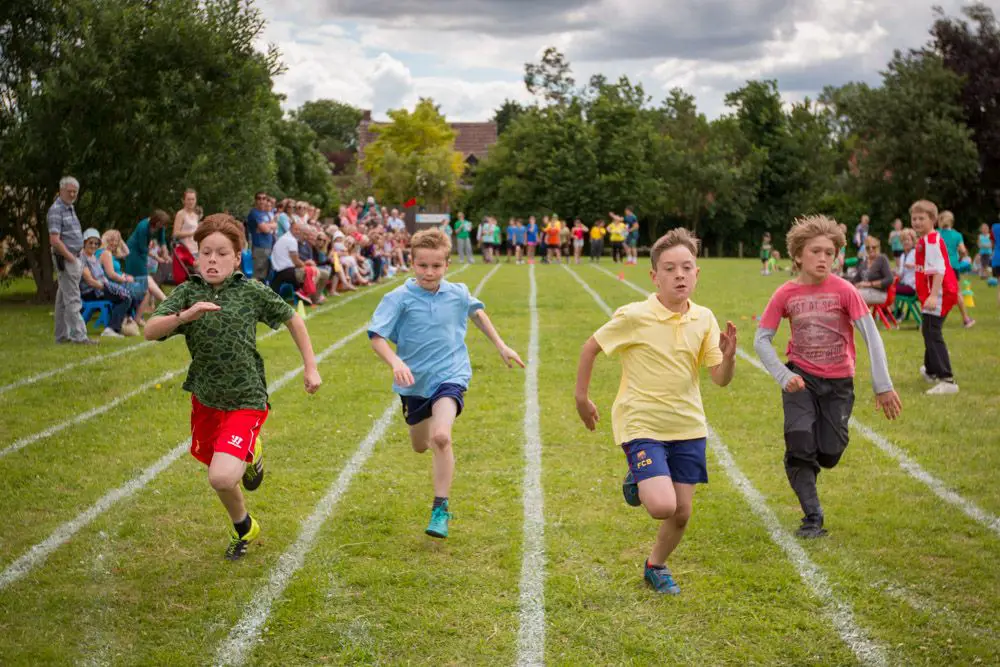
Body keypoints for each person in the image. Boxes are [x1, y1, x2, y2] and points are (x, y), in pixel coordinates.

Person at [145, 214, 321, 560]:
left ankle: (250, 451)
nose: (213, 259)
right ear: (196, 256)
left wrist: (310, 367)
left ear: (236, 257)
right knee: (216, 469)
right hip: (207, 398)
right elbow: (151, 330)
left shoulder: (250, 291)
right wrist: (184, 317)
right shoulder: (187, 293)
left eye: (221, 253)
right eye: (206, 252)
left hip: (246, 397)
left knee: (222, 477)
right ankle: (244, 525)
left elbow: (292, 319)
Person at [574, 228, 737, 594]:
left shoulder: (704, 318)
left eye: (686, 267)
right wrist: (581, 399)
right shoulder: (635, 316)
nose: (679, 275)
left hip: (688, 426)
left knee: (682, 513)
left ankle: (656, 565)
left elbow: (719, 379)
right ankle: (639, 475)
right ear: (654, 276)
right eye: (669, 269)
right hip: (641, 423)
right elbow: (590, 348)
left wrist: (729, 358)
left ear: (697, 273)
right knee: (662, 505)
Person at [368, 228, 524, 539]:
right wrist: (396, 362)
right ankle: (434, 449)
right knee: (419, 445)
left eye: (436, 266)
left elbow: (477, 312)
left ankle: (440, 509)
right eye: (423, 265)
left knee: (441, 437)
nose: (429, 272)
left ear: (447, 265)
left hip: (451, 374)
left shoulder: (457, 292)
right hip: (414, 383)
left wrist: (501, 345)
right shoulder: (398, 298)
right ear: (412, 263)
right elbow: (376, 336)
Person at [754, 215, 901, 540]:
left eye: (829, 252)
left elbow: (872, 336)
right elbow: (761, 339)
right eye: (816, 251)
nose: (823, 258)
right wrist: (782, 375)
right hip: (800, 379)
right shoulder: (785, 293)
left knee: (829, 454)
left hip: (838, 385)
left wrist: (883, 386)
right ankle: (812, 516)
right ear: (797, 255)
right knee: (799, 445)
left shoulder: (845, 290)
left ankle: (806, 461)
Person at [912, 201, 960, 395]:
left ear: (932, 220)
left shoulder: (931, 241)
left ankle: (947, 379)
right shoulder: (926, 239)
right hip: (935, 294)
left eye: (921, 218)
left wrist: (932, 296)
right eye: (914, 218)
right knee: (928, 330)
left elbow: (939, 270)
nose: (916, 222)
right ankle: (931, 370)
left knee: (933, 332)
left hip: (939, 293)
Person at [47, 176, 95, 344]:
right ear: (61, 191)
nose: (73, 194)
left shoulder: (70, 208)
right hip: (66, 259)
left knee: (62, 300)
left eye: (75, 192)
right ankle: (80, 336)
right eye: (70, 191)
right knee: (73, 299)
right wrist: (71, 258)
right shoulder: (56, 210)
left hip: (75, 257)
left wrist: (79, 254)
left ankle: (62, 336)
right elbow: (54, 239)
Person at [79, 229, 135, 338]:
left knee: (127, 294)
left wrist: (109, 286)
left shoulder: (93, 257)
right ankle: (111, 329)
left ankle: (118, 324)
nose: (94, 245)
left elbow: (126, 253)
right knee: (125, 297)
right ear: (84, 242)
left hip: (99, 289)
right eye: (90, 243)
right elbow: (89, 280)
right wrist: (106, 287)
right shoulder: (82, 257)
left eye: (96, 243)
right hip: (91, 292)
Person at [125, 209, 170, 323]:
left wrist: (165, 253)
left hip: (143, 253)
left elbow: (162, 241)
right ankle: (166, 302)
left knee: (146, 285)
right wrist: (157, 258)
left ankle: (138, 317)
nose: (163, 226)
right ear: (156, 221)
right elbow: (143, 248)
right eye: (162, 224)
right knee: (145, 282)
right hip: (134, 254)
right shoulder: (143, 227)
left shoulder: (160, 226)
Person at [937, 211, 975, 328]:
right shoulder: (957, 235)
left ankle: (933, 320)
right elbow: (963, 251)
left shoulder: (936, 234)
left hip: (938, 266)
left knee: (937, 292)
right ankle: (966, 319)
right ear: (952, 222)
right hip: (952, 267)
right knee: (956, 293)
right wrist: (962, 258)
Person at [848, 236, 894, 305]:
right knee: (847, 293)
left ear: (878, 248)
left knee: (853, 296)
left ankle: (858, 315)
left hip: (880, 293)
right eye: (868, 248)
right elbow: (855, 279)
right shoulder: (864, 262)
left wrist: (869, 284)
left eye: (874, 247)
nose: (871, 249)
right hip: (864, 291)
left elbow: (889, 279)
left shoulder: (882, 259)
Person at [248, 192, 277, 280]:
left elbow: (275, 225)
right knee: (257, 275)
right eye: (259, 198)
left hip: (269, 246)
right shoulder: (254, 213)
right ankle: (251, 293)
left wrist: (267, 226)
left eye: (264, 198)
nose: (261, 200)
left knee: (264, 275)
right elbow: (266, 229)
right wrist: (268, 227)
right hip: (259, 247)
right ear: (255, 200)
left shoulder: (266, 213)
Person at [173, 189, 200, 256]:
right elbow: (175, 233)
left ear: (196, 200)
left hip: (195, 250)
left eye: (193, 199)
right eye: (188, 199)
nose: (191, 202)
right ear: (184, 201)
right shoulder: (180, 214)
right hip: (184, 251)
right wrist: (192, 233)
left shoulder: (196, 215)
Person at [896, 229, 917, 297]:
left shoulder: (916, 253)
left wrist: (913, 266)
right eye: (904, 240)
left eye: (908, 240)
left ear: (913, 242)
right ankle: (896, 307)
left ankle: (892, 308)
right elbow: (900, 275)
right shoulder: (902, 256)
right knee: (888, 286)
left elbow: (925, 268)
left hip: (912, 286)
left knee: (891, 289)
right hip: (904, 283)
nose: (906, 242)